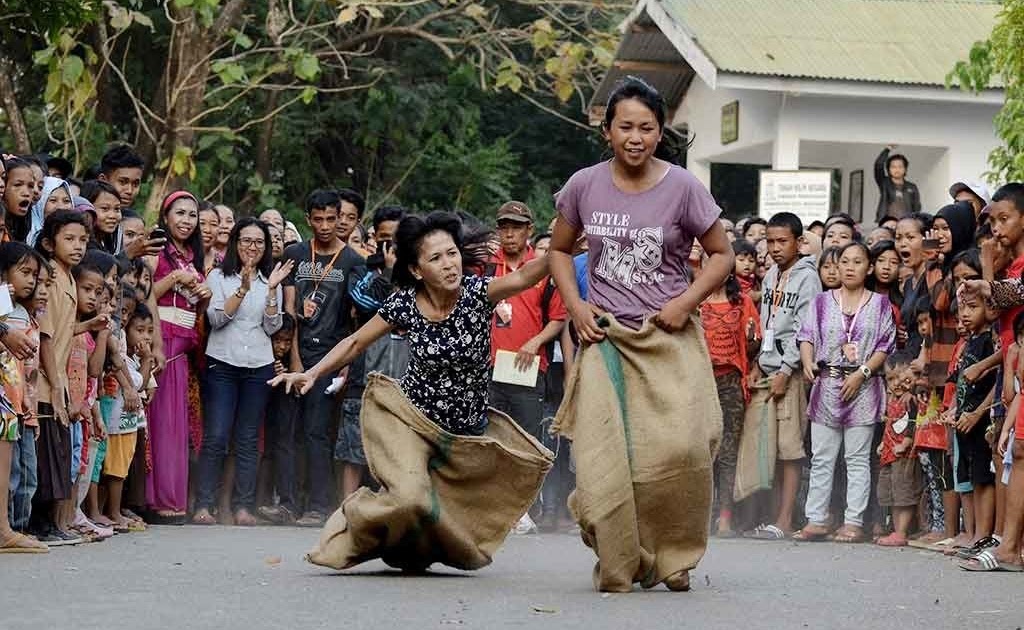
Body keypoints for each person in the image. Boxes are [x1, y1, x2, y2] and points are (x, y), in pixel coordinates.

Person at [271, 211, 554, 571]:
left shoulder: (477, 293)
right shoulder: (404, 303)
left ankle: (408, 553)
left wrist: (568, 244)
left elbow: (529, 274)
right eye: (436, 258)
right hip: (413, 422)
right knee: (409, 497)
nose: (450, 265)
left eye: (452, 253)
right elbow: (356, 341)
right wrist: (310, 373)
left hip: (463, 432)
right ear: (418, 270)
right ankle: (352, 523)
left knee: (445, 526)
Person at [548, 76, 732, 592]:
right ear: (606, 131)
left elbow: (722, 255)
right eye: (625, 126)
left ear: (660, 132)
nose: (635, 137)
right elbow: (559, 251)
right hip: (605, 337)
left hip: (667, 336)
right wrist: (576, 306)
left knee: (682, 450)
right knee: (608, 458)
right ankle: (621, 556)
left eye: (646, 128)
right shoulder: (584, 184)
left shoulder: (684, 187)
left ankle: (673, 553)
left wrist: (684, 302)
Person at [192, 219, 291, 526]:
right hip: (222, 363)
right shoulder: (219, 276)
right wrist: (244, 289)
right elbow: (217, 319)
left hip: (258, 366)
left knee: (248, 439)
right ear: (235, 243)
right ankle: (204, 504)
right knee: (217, 436)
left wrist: (271, 289)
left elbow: (273, 326)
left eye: (259, 242)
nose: (252, 247)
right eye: (246, 240)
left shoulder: (270, 278)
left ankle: (243, 506)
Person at [794, 241, 895, 542]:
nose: (850, 267)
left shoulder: (879, 304)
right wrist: (808, 361)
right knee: (822, 456)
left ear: (869, 268)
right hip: (827, 385)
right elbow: (807, 335)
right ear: (836, 267)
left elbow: (884, 345)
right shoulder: (822, 302)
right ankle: (816, 519)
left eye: (857, 262)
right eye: (845, 262)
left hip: (863, 386)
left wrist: (863, 373)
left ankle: (853, 522)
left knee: (857, 457)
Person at [279, 189, 367, 527]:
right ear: (308, 220)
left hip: (332, 356)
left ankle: (317, 505)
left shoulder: (353, 262)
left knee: (318, 432)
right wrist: (296, 362)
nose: (327, 226)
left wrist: (344, 365)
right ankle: (287, 503)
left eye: (332, 218)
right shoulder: (295, 254)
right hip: (295, 355)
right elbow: (289, 311)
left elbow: (357, 321)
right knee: (287, 432)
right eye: (318, 219)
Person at [486, 200, 566, 534]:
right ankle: (493, 509)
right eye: (504, 226)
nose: (509, 233)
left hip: (529, 366)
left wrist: (535, 342)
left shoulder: (542, 267)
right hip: (490, 367)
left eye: (516, 227)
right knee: (491, 438)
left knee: (526, 440)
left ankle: (525, 510)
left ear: (529, 230)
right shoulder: (487, 267)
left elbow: (560, 318)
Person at [746, 212, 822, 541]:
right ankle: (773, 516)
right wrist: (758, 362)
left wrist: (786, 369)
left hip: (789, 373)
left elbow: (806, 328)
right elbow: (768, 325)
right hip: (768, 366)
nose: (775, 248)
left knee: (790, 449)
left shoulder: (808, 278)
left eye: (783, 241)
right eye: (771, 241)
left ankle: (786, 519)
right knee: (771, 448)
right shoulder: (771, 276)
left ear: (798, 242)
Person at [144, 191, 211, 524]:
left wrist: (204, 293)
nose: (186, 220)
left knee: (176, 426)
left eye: (192, 215)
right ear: (166, 216)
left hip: (185, 345)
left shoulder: (192, 255)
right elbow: (144, 296)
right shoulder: (157, 251)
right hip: (162, 341)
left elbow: (195, 306)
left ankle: (173, 497)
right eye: (180, 213)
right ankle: (156, 499)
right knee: (160, 423)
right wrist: (173, 278)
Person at [30, 210, 90, 545]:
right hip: (45, 382)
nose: (78, 246)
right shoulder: (51, 277)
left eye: (83, 240)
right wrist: (54, 386)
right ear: (50, 243)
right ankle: (40, 524)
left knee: (60, 454)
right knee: (47, 457)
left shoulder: (68, 276)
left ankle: (52, 523)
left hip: (58, 379)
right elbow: (46, 337)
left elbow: (65, 330)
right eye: (69, 239)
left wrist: (87, 326)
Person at [701, 261, 760, 537]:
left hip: (730, 382)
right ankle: (701, 515)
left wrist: (752, 341)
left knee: (727, 451)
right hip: (699, 383)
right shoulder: (694, 300)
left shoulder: (743, 302)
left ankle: (724, 516)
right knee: (701, 451)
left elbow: (754, 344)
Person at [0, 242, 49, 552]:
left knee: (5, 449)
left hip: (9, 393)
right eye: (25, 272)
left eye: (35, 275)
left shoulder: (11, 303)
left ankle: (3, 527)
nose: (31, 281)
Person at [874, 354, 923, 547]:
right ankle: (896, 530)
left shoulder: (910, 399)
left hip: (903, 453)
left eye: (899, 377)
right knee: (891, 493)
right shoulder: (891, 399)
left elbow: (912, 423)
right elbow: (890, 425)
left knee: (903, 491)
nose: (895, 383)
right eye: (890, 378)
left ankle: (902, 531)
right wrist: (882, 443)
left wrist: (906, 443)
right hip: (889, 451)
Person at [875, 145, 921, 220]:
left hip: (906, 223)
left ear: (905, 169)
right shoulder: (884, 183)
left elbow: (917, 208)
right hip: (886, 223)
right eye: (893, 167)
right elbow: (878, 165)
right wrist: (888, 149)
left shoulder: (912, 187)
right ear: (888, 169)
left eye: (900, 166)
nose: (897, 169)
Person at [97, 145, 144, 210]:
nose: (129, 191)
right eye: (122, 182)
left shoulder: (134, 219)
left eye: (135, 184)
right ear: (103, 180)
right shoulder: (83, 213)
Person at [198, 203, 222, 274]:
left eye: (214, 224)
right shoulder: (179, 258)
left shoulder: (223, 261)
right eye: (202, 223)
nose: (208, 230)